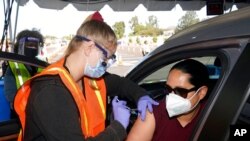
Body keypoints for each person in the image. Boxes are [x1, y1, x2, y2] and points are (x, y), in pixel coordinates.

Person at [14, 11, 158, 141]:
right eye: (105, 58)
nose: (107, 63)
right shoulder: (50, 91)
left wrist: (141, 96)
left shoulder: (89, 78)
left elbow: (121, 84)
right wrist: (118, 126)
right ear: (89, 48)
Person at [127, 59, 209, 141]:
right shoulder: (154, 113)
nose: (172, 96)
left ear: (201, 92)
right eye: (169, 89)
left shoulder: (211, 113)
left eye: (180, 91)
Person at [4, 29, 44, 109]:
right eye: (29, 45)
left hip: (40, 109)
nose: (32, 48)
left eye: (35, 45)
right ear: (20, 46)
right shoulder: (13, 66)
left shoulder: (41, 64)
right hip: (21, 110)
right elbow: (10, 95)